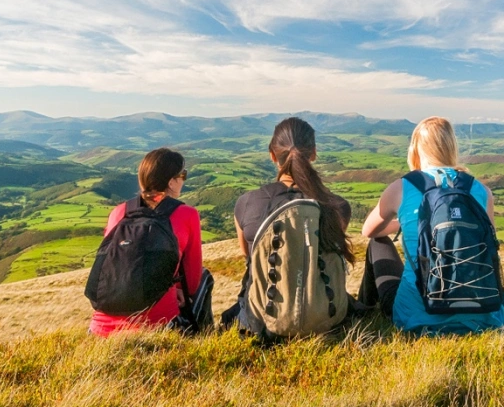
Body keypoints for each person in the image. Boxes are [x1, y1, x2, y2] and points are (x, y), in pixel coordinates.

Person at [359, 116, 504, 335]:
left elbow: (369, 230)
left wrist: (405, 224)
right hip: (485, 315)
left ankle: (363, 313)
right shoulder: (481, 191)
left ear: (415, 149)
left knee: (377, 242)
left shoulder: (401, 188)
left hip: (416, 317)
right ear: (452, 147)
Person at [223, 116, 355, 332]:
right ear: (313, 153)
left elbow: (250, 257)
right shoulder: (338, 206)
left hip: (264, 319)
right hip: (327, 315)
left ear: (272, 154)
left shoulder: (246, 203)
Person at [88, 147, 205, 337]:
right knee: (205, 279)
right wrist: (175, 289)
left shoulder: (119, 212)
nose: (183, 179)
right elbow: (191, 283)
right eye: (182, 175)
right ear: (171, 182)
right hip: (155, 325)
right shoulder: (187, 214)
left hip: (100, 327)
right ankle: (201, 337)